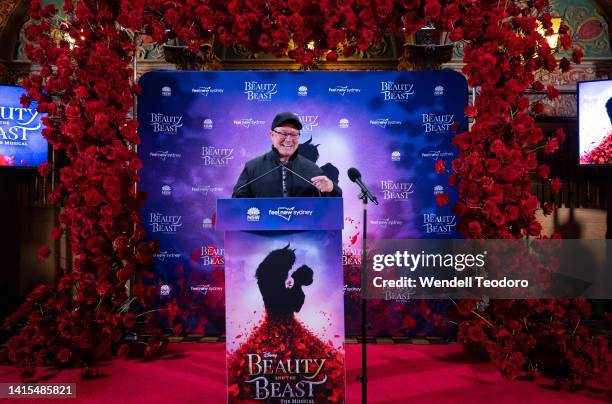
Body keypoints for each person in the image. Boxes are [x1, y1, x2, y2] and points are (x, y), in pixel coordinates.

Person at [232, 112, 342, 197]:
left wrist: (332, 187)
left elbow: (332, 204)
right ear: (272, 135)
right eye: (283, 133)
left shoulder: (312, 169)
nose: (289, 139)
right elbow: (236, 205)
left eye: (294, 134)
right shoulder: (252, 167)